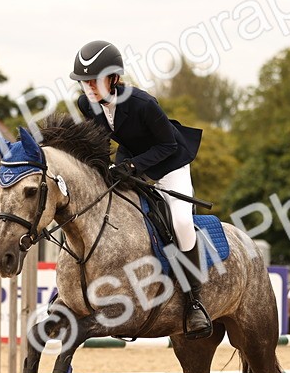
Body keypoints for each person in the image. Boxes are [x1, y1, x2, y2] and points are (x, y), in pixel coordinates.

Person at [70, 39, 211, 339]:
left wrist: (133, 167)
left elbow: (168, 144)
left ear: (114, 78)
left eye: (95, 81)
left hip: (170, 163)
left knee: (182, 222)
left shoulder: (143, 103)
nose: (90, 88)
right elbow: (98, 143)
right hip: (130, 159)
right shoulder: (86, 104)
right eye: (85, 82)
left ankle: (194, 302)